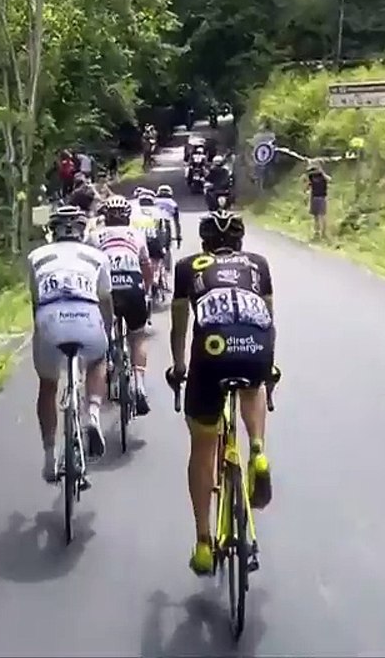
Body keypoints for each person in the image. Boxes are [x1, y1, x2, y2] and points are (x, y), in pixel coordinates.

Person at [164, 210, 275, 575]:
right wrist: (268, 363)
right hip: (256, 346)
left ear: (205, 241)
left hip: (211, 351)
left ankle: (203, 543)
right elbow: (268, 318)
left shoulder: (186, 267)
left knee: (203, 444)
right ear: (240, 242)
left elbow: (180, 327)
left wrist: (179, 367)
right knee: (254, 384)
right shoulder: (258, 264)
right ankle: (257, 448)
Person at [27, 206, 114, 482]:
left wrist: (41, 333)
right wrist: (108, 332)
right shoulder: (97, 256)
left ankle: (49, 457)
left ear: (53, 231)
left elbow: (35, 300)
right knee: (99, 358)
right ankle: (93, 414)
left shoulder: (36, 256)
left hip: (49, 318)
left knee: (48, 384)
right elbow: (105, 300)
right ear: (81, 230)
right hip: (86, 317)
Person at [88, 195, 153, 415]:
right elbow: (146, 266)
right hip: (132, 285)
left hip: (107, 290)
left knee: (102, 331)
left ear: (105, 217)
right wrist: (147, 289)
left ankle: (105, 361)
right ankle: (139, 383)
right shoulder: (137, 234)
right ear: (127, 217)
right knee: (138, 335)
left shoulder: (94, 236)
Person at [305, 159, 329, 240]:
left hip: (322, 197)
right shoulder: (311, 176)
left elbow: (329, 179)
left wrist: (321, 171)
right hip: (314, 197)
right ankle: (316, 233)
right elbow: (308, 184)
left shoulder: (323, 176)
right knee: (315, 217)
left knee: (322, 216)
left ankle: (323, 234)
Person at [156, 185, 182, 252]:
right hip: (167, 219)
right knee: (169, 223)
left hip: (156, 220)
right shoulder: (173, 203)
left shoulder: (155, 201)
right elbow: (177, 223)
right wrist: (178, 237)